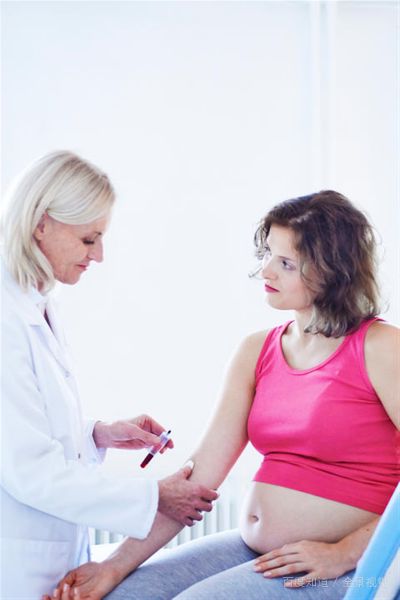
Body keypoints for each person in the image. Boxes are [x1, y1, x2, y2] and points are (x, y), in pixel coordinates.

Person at [46, 190, 399, 600]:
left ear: (333, 271)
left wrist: (347, 552)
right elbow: (199, 479)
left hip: (353, 566)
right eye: (268, 255)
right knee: (124, 595)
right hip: (258, 548)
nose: (266, 271)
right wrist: (112, 567)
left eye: (286, 264)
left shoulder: (380, 347)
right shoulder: (257, 350)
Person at [0, 150, 218, 600]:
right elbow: (28, 470)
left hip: (51, 553)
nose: (98, 255)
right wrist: (155, 497)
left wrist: (98, 434)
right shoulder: (7, 318)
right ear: (41, 224)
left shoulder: (38, 305)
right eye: (88, 239)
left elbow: (27, 426)